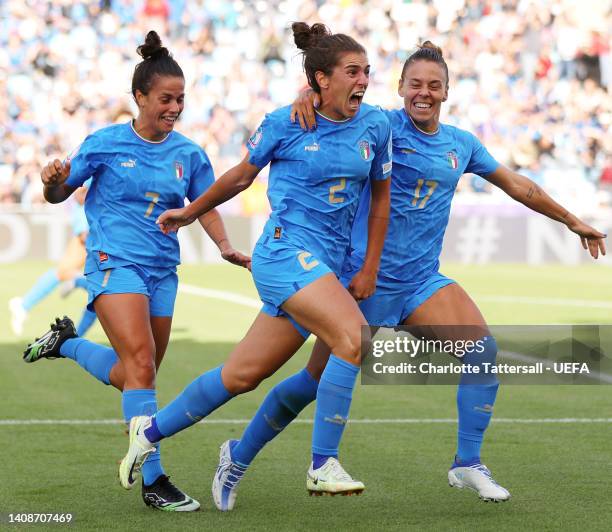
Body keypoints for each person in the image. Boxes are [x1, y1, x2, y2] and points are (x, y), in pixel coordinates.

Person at [211, 41, 608, 509]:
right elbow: (334, 98)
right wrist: (306, 92)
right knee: (309, 384)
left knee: (481, 350)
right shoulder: (379, 125)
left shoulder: (461, 143)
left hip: (421, 283)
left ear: (447, 92)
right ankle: (236, 458)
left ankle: (467, 462)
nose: (424, 93)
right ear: (399, 88)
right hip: (363, 280)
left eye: (434, 86)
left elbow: (520, 184)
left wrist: (571, 220)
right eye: (415, 84)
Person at [118, 22, 392, 506]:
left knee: (241, 376)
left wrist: (368, 267)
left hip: (327, 268)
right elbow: (243, 176)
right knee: (353, 338)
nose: (364, 80)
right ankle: (322, 463)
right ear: (322, 80)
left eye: (367, 71)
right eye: (353, 71)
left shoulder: (376, 125)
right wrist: (191, 209)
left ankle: (152, 434)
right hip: (284, 253)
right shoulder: (285, 122)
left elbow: (381, 202)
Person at [22, 31, 250, 512]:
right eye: (166, 98)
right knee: (143, 365)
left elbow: (205, 204)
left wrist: (225, 245)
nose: (175, 108)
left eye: (181, 99)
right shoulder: (104, 143)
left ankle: (66, 343)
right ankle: (154, 480)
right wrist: (52, 183)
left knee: (134, 374)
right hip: (112, 264)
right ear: (140, 97)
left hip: (163, 273)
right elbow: (61, 192)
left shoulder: (189, 153)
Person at [9, 184, 97, 337]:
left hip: (92, 246)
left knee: (96, 294)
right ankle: (24, 305)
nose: (78, 194)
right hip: (89, 247)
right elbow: (84, 236)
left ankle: (24, 305)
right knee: (67, 276)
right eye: (79, 191)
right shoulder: (81, 210)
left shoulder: (83, 206)